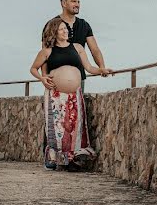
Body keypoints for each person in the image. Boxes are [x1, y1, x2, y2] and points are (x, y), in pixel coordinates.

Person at [30, 17, 103, 171]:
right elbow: (33, 69)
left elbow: (89, 68)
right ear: (54, 32)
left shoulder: (77, 47)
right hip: (56, 96)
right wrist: (42, 78)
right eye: (61, 29)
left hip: (74, 95)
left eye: (66, 28)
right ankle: (57, 160)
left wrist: (102, 70)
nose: (65, 31)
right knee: (58, 129)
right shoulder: (47, 51)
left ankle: (72, 161)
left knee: (75, 128)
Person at [41, 0, 112, 85]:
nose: (77, 4)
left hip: (78, 79)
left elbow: (95, 50)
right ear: (64, 3)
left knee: (79, 100)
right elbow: (44, 54)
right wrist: (44, 76)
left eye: (78, 2)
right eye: (73, 1)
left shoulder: (84, 25)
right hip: (55, 80)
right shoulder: (52, 24)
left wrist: (102, 68)